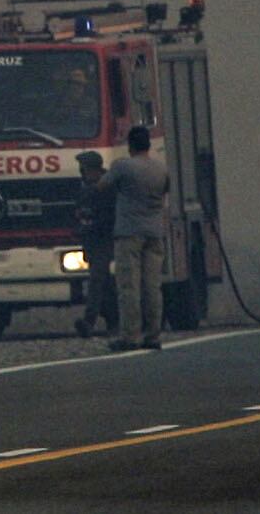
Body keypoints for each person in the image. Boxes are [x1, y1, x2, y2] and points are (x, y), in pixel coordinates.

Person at [96, 124, 171, 351]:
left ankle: (130, 336)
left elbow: (102, 186)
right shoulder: (161, 169)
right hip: (154, 232)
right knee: (152, 286)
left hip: (129, 233)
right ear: (148, 144)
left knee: (129, 287)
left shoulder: (123, 167)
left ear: (130, 145)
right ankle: (153, 335)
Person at [72, 150, 119, 338]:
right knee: (104, 282)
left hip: (103, 238)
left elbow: (107, 215)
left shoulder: (105, 187)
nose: (82, 172)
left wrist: (90, 221)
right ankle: (114, 321)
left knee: (97, 280)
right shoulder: (87, 187)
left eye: (85, 168)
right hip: (92, 239)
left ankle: (89, 320)